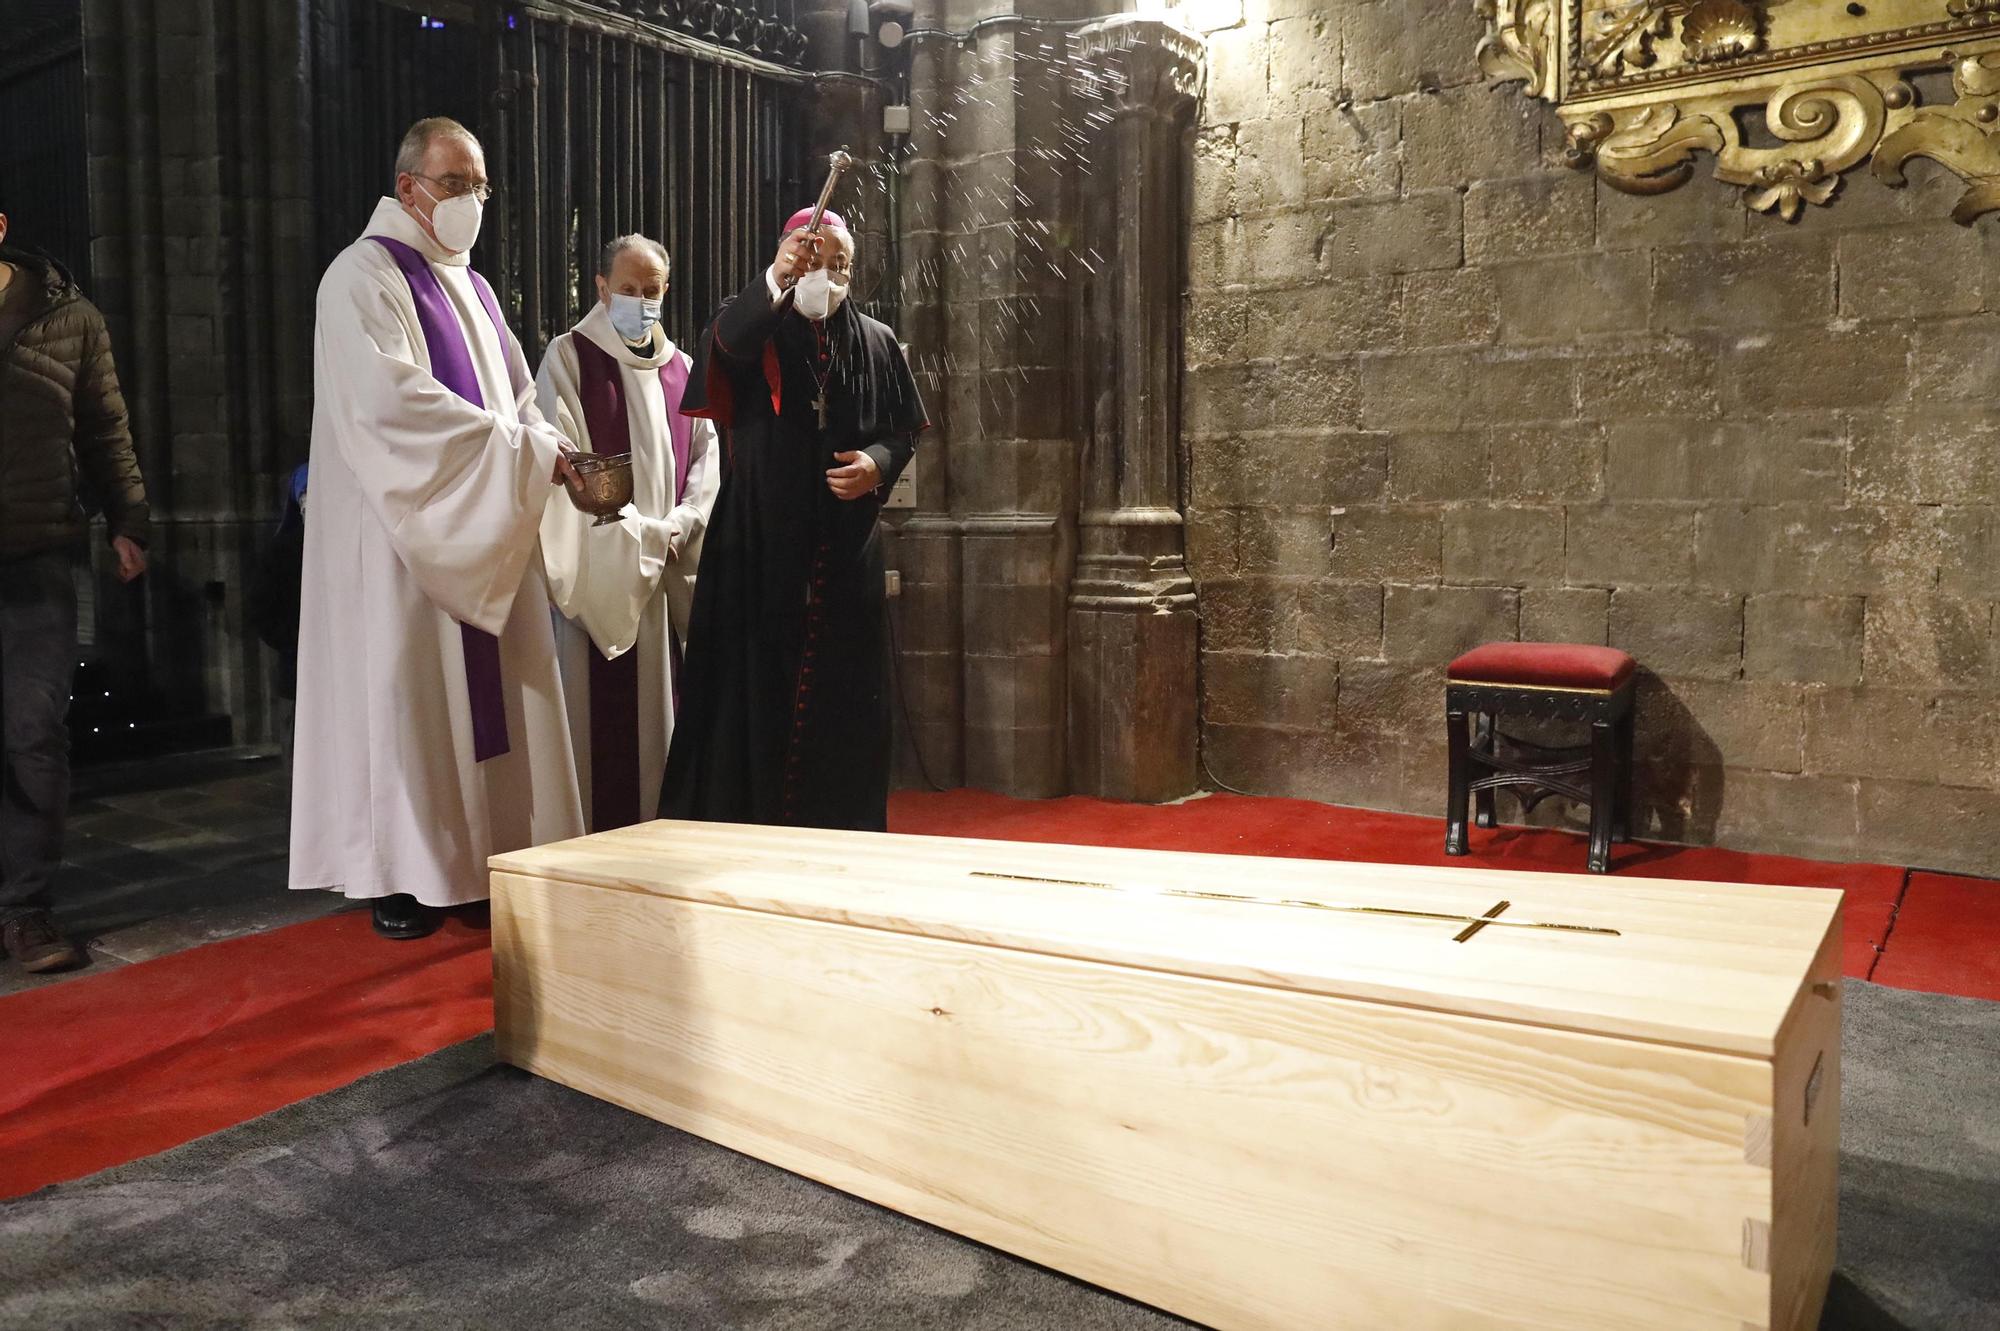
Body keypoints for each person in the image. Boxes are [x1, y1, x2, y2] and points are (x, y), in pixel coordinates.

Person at [288, 117, 584, 941]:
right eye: (455, 184)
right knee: (407, 695)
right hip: (402, 531)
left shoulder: (479, 291)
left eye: (480, 186)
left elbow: (519, 401)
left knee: (479, 698)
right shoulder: (360, 277)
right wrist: (518, 455)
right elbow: (390, 405)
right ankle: (401, 875)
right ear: (408, 186)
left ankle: (487, 853)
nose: (471, 201)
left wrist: (540, 449)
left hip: (482, 517)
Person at [660, 208, 925, 831]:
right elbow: (724, 345)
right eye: (816, 261)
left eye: (841, 266)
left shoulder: (879, 341)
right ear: (790, 259)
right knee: (754, 697)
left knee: (844, 703)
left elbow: (903, 431)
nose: (828, 275)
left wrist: (877, 464)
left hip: (845, 551)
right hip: (758, 546)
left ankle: (843, 831)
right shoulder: (756, 327)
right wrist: (776, 279)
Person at [0, 209, 148, 973]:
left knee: (33, 733)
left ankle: (26, 910)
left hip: (36, 555)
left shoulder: (67, 316)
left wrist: (128, 519)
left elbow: (104, 425)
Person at [536, 235, 719, 832]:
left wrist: (680, 526)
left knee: (662, 720)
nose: (641, 301)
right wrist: (638, 533)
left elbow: (706, 466)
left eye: (652, 291)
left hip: (665, 570)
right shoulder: (568, 359)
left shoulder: (684, 370)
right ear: (601, 287)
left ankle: (660, 840)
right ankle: (589, 843)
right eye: (628, 290)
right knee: (597, 724)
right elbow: (559, 461)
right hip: (602, 574)